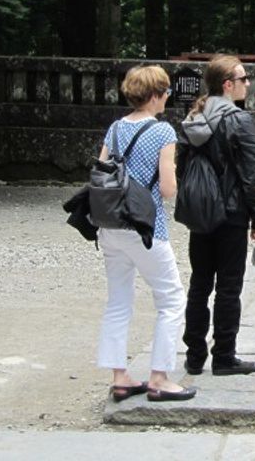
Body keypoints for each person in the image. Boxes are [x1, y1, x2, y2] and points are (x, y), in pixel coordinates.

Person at [96, 65, 195, 402]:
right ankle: (160, 377)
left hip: (111, 225)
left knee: (118, 301)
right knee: (171, 300)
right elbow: (167, 189)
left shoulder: (115, 128)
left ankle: (120, 376)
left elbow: (101, 171)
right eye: (165, 91)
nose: (168, 97)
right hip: (146, 227)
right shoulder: (163, 132)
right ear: (155, 95)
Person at [179, 54, 255, 376]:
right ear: (228, 84)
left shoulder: (194, 116)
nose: (247, 84)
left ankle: (194, 355)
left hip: (200, 211)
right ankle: (224, 356)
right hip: (230, 212)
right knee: (229, 286)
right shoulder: (239, 120)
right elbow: (251, 175)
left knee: (199, 283)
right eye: (243, 79)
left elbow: (182, 166)